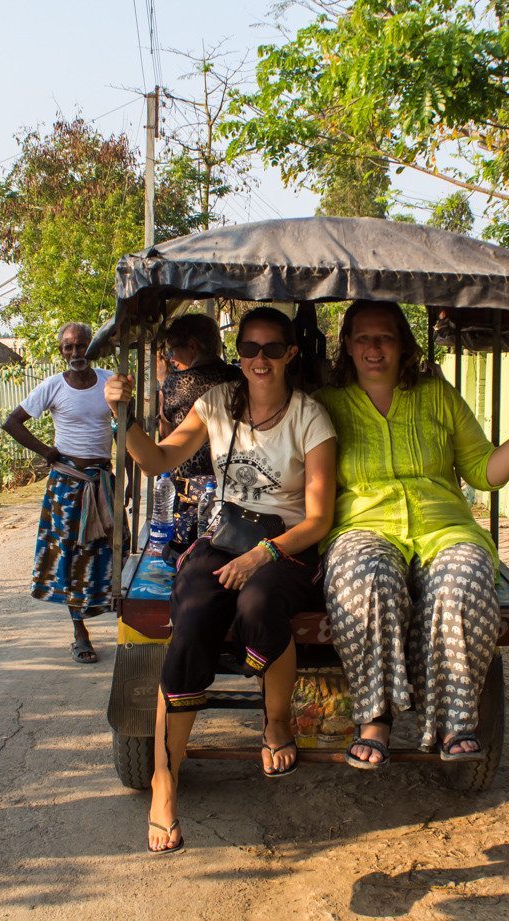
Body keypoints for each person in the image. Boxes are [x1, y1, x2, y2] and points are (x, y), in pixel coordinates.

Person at [105, 306, 337, 855]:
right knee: (189, 627)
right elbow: (158, 461)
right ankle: (165, 783)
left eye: (272, 349)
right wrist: (124, 417)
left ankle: (276, 721)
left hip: (286, 545)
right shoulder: (216, 405)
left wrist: (262, 558)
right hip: (224, 537)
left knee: (259, 603)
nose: (260, 359)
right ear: (238, 356)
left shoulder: (311, 418)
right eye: (250, 349)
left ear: (290, 354)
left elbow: (318, 519)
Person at [316, 300, 509, 769]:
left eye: (385, 337)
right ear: (347, 346)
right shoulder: (327, 406)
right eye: (363, 338)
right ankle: (375, 717)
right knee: (365, 579)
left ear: (402, 345)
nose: (374, 348)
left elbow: (486, 472)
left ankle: (453, 719)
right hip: (363, 528)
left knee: (464, 581)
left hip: (444, 528)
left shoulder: (438, 397)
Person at [3, 321, 120, 665]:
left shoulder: (108, 381)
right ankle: (79, 633)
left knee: (114, 550)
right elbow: (12, 422)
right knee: (70, 555)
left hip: (103, 481)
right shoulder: (53, 387)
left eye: (81, 345)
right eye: (68, 347)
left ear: (91, 348)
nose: (75, 353)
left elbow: (125, 426)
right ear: (61, 352)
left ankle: (124, 624)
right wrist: (46, 452)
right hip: (67, 483)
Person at [157, 313, 241, 548]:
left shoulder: (176, 383)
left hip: (190, 489)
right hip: (232, 484)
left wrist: (163, 381)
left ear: (192, 346)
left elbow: (167, 436)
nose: (171, 357)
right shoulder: (238, 376)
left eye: (173, 350)